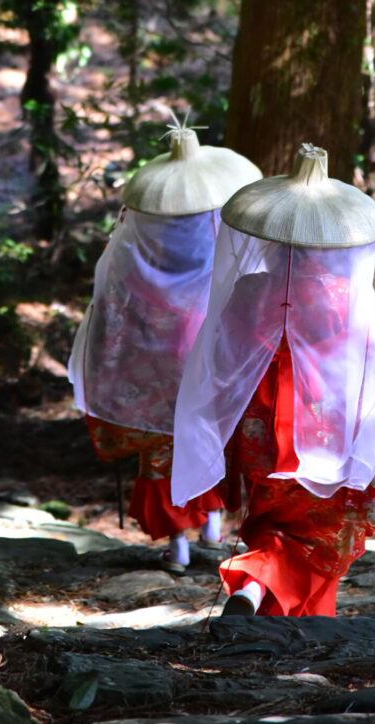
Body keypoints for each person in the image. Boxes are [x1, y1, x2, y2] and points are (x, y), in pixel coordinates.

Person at [170, 143, 375, 614]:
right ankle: (271, 596)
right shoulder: (350, 299)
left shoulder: (248, 290)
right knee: (325, 531)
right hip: (332, 434)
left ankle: (257, 592)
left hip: (261, 431)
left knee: (271, 521)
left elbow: (222, 357)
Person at [68, 117, 261, 572]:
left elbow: (110, 303)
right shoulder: (215, 219)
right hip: (207, 339)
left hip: (151, 353)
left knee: (161, 449)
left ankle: (178, 545)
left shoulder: (139, 238)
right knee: (210, 432)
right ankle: (213, 521)